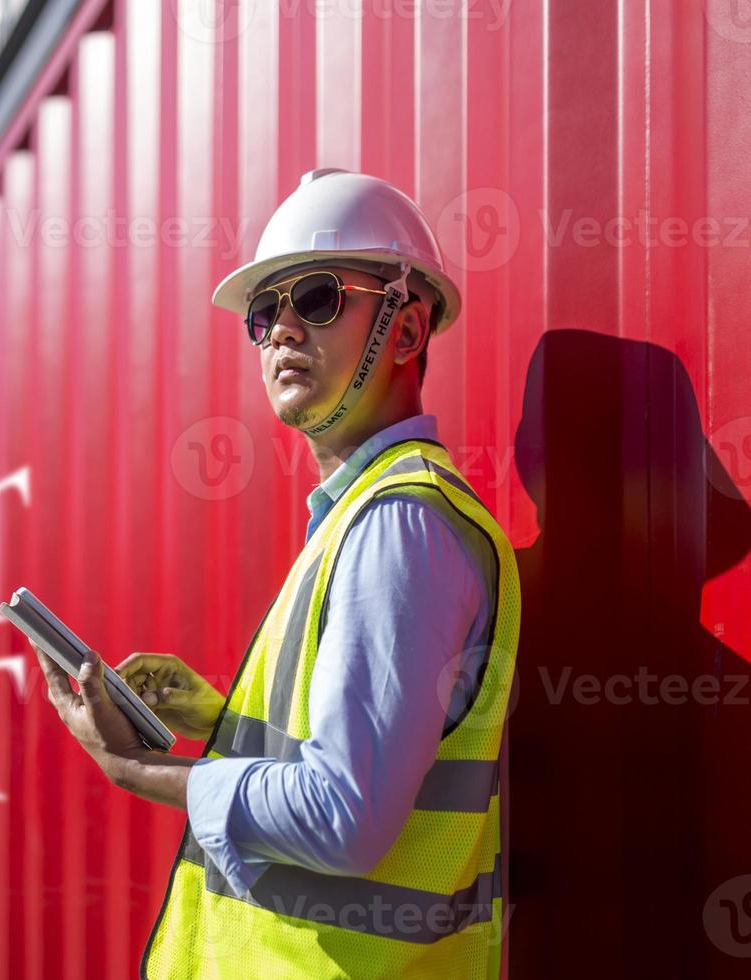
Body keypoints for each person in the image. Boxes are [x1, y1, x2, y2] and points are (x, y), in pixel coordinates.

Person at [35, 168, 520, 979]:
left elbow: (344, 818)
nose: (282, 330)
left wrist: (134, 768)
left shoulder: (397, 525)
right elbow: (369, 764)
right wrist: (218, 715)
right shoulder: (365, 519)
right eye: (265, 314)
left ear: (406, 330)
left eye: (319, 298)